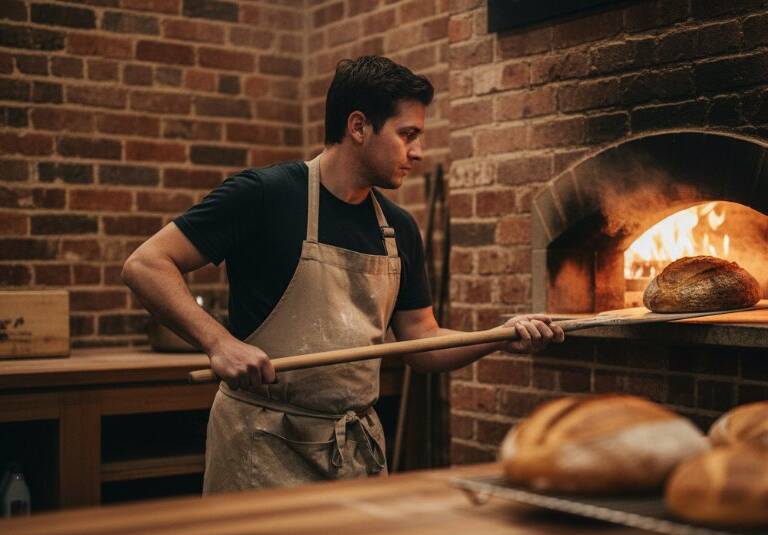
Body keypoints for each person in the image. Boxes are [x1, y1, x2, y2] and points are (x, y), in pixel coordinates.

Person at [122, 56, 565, 494]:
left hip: (355, 454)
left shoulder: (398, 230)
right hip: (260, 448)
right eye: (407, 134)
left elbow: (422, 343)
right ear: (358, 127)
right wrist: (219, 342)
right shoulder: (265, 196)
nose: (419, 151)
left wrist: (499, 335)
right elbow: (146, 264)